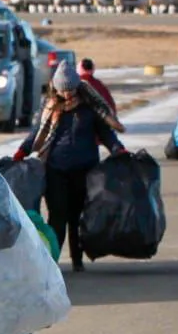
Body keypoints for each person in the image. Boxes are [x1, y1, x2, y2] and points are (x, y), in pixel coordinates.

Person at [14, 61, 126, 272]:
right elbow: (37, 133)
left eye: (71, 90)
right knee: (58, 217)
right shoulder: (49, 107)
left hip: (85, 170)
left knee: (77, 217)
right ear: (56, 89)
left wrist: (118, 149)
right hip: (56, 170)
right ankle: (52, 261)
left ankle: (77, 260)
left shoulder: (89, 107)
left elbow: (106, 133)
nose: (68, 95)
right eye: (63, 91)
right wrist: (22, 151)